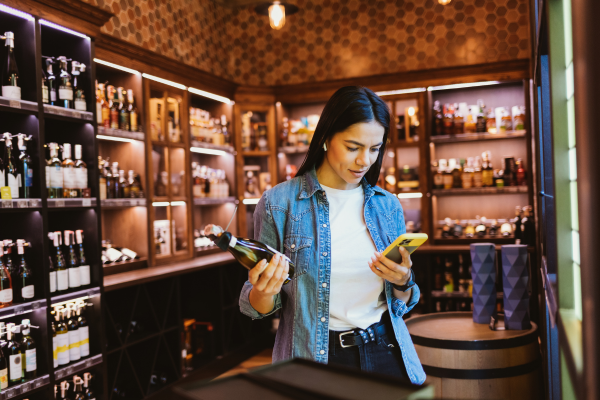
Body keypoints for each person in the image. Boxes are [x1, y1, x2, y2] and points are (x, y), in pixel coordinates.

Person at [238, 86, 426, 384]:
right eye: (353, 147)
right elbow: (255, 306)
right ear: (326, 138)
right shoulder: (279, 203)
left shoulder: (387, 205)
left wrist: (403, 280)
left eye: (374, 149)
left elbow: (401, 303)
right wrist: (264, 290)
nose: (365, 161)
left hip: (386, 352)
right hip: (315, 359)